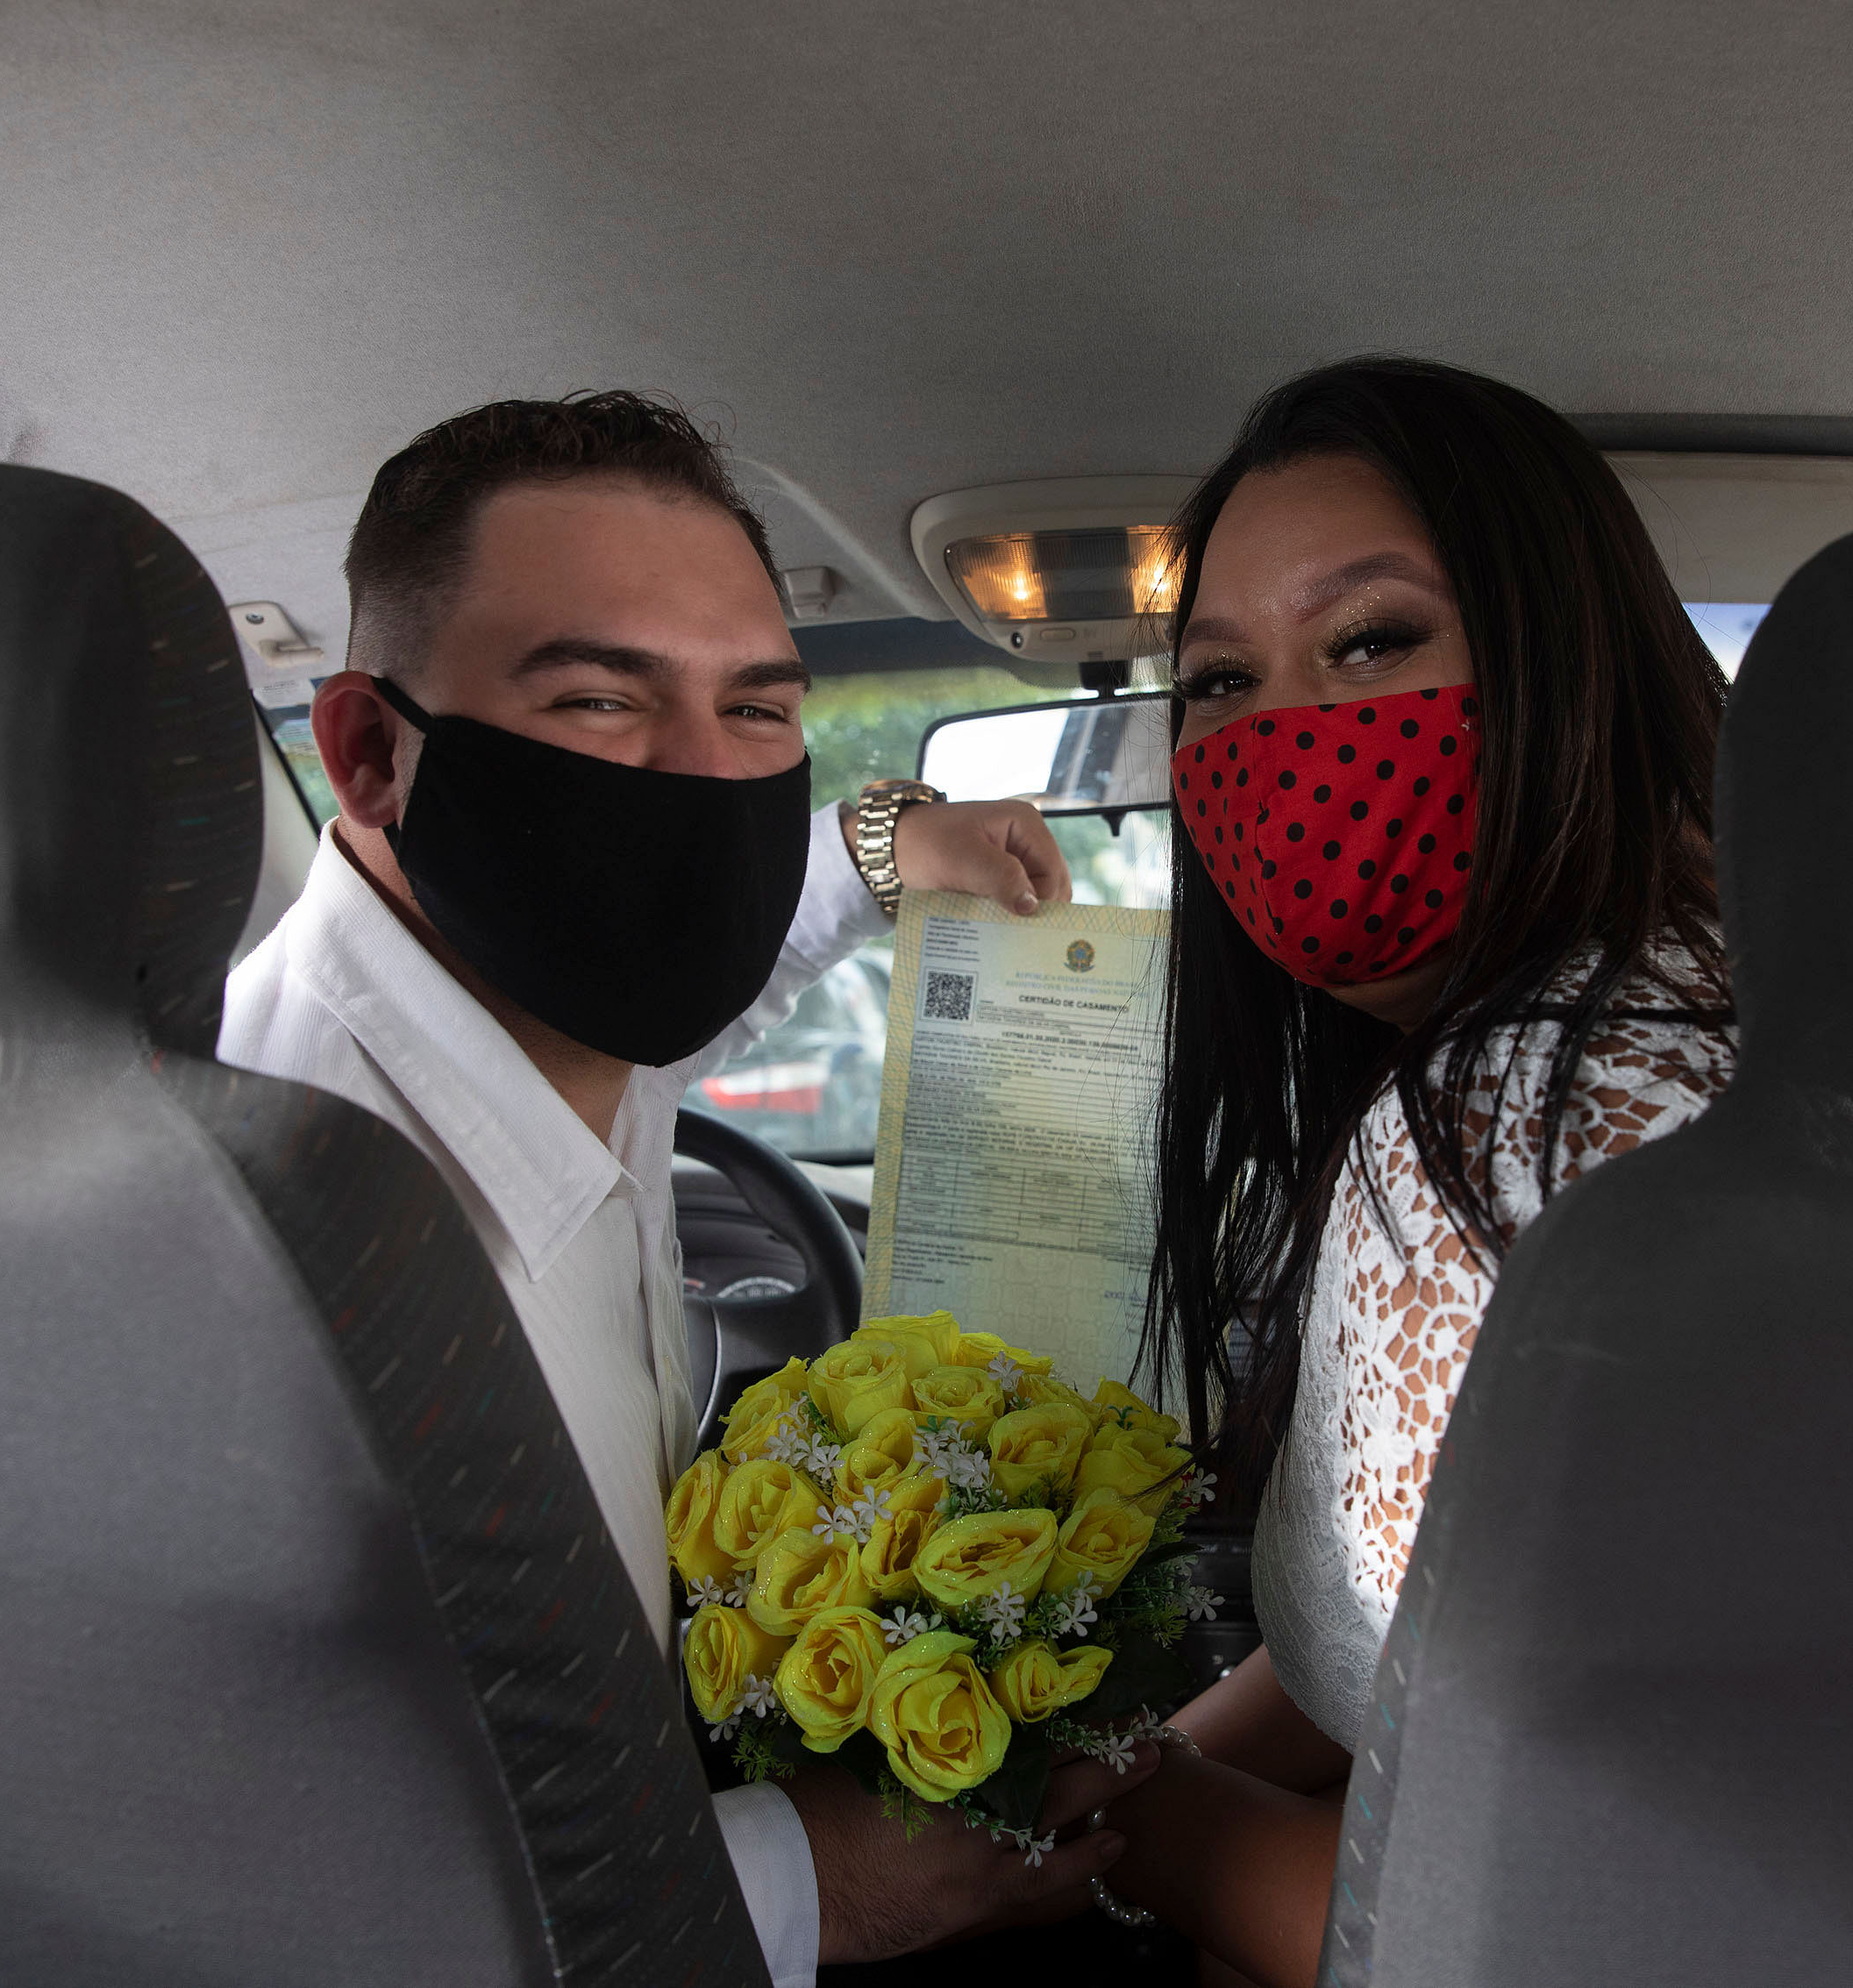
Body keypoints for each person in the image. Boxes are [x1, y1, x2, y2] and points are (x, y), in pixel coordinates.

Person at [221, 394, 1156, 1983]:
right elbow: (318, 1887)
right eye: (597, 701)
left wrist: (888, 834)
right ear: (372, 755)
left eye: (758, 709)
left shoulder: (552, 1012)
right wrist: (825, 1887)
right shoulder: (298, 1251)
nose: (700, 784)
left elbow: (737, 941)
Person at [1094, 359, 1738, 1985]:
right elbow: (1404, 1668)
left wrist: (1112, 1822)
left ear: (1562, 655)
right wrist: (1162, 1758)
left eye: (1374, 641)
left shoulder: (1491, 1129)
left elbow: (1512, 1927)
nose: (1289, 740)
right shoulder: (1754, 982)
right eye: (1222, 684)